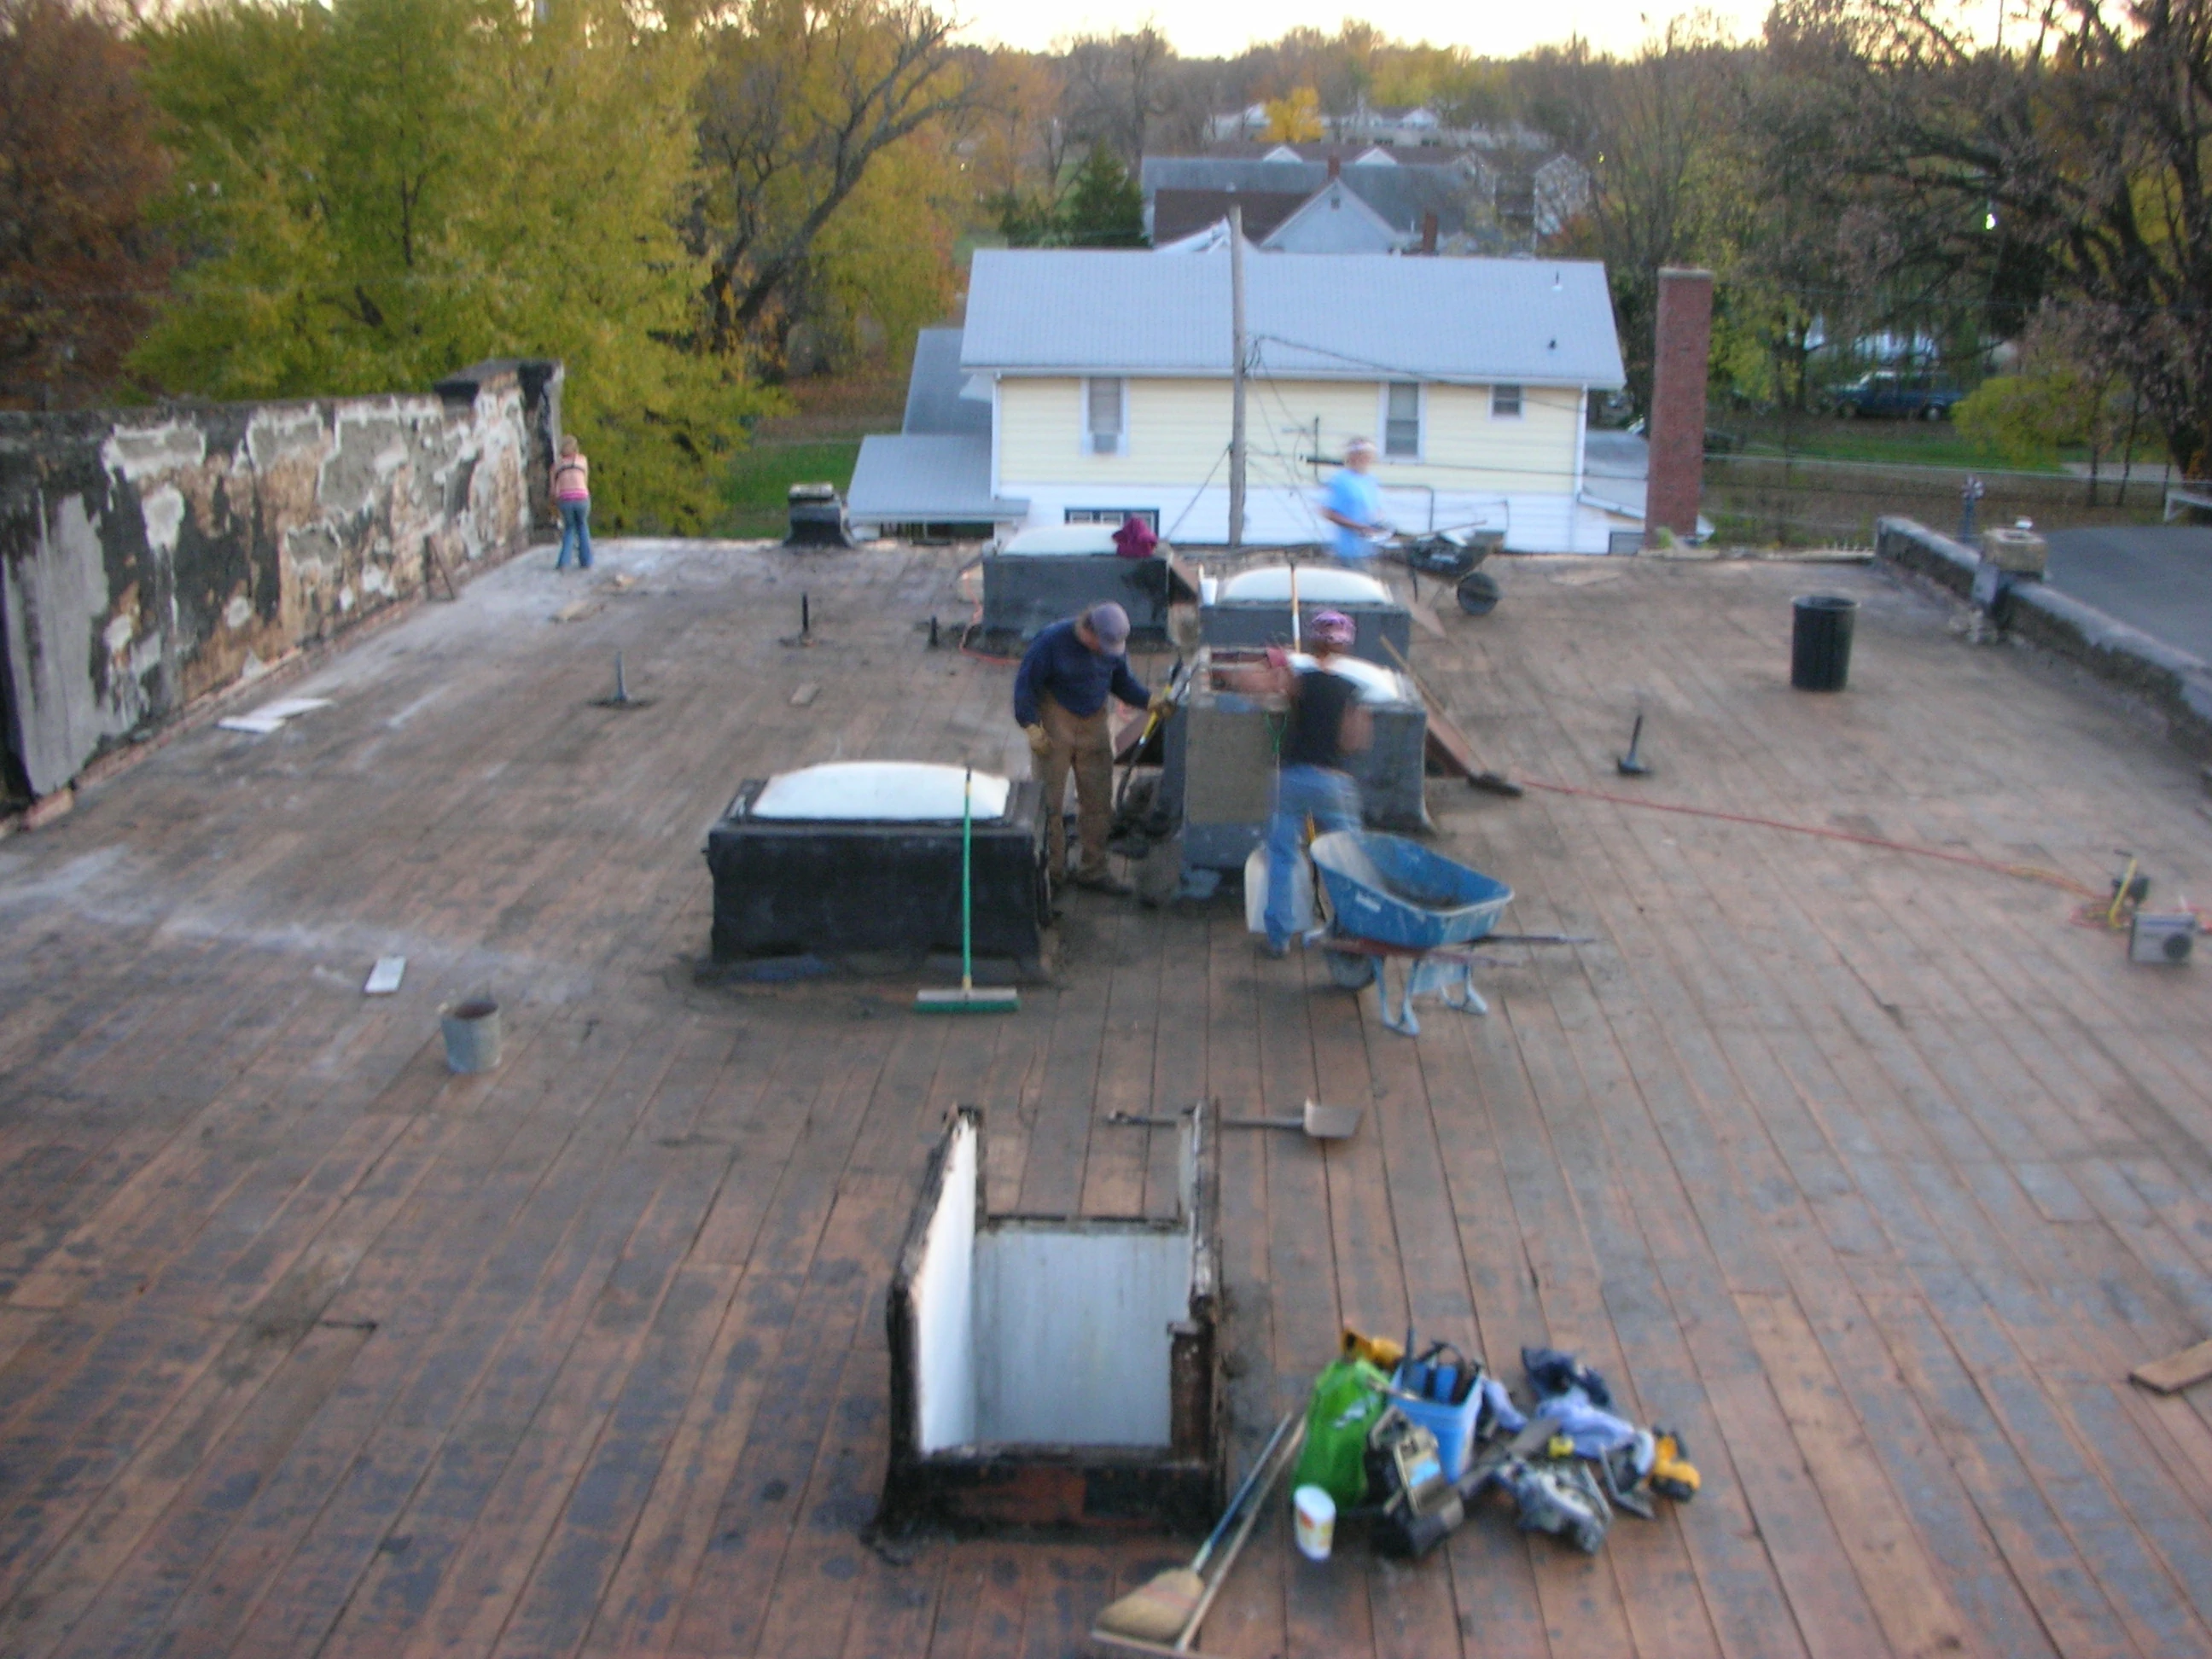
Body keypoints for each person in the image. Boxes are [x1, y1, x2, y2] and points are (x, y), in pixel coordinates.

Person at [1012, 602, 1167, 896]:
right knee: (1050, 802)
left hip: (1094, 719)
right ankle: (1052, 873)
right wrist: (1031, 726)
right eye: (1102, 643)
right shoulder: (1050, 642)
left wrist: (1149, 700)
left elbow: (1122, 682)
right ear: (1087, 630)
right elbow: (1025, 687)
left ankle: (1093, 869)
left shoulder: (1111, 651)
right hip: (1055, 718)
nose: (1105, 651)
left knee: (1098, 801)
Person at [1244, 610, 1371, 956]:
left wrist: (1278, 662)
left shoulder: (1299, 679)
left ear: (1312, 641)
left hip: (1292, 779)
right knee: (1348, 860)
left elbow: (1257, 685)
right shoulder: (1353, 690)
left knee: (1282, 858)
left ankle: (1279, 939)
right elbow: (1353, 741)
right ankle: (1355, 929)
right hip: (1333, 782)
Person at [1317, 437, 1388, 563]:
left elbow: (1374, 510)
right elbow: (1328, 512)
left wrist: (1379, 524)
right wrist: (1359, 527)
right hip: (1349, 552)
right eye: (1360, 455)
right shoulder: (1341, 480)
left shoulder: (1371, 480)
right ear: (1351, 456)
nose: (1365, 459)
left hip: (1369, 550)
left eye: (1368, 455)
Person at [553, 435, 594, 571]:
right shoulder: (582, 461)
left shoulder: (556, 465)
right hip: (581, 498)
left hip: (565, 500)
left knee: (569, 529)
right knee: (582, 526)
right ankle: (586, 561)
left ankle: (563, 562)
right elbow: (585, 481)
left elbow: (553, 489)